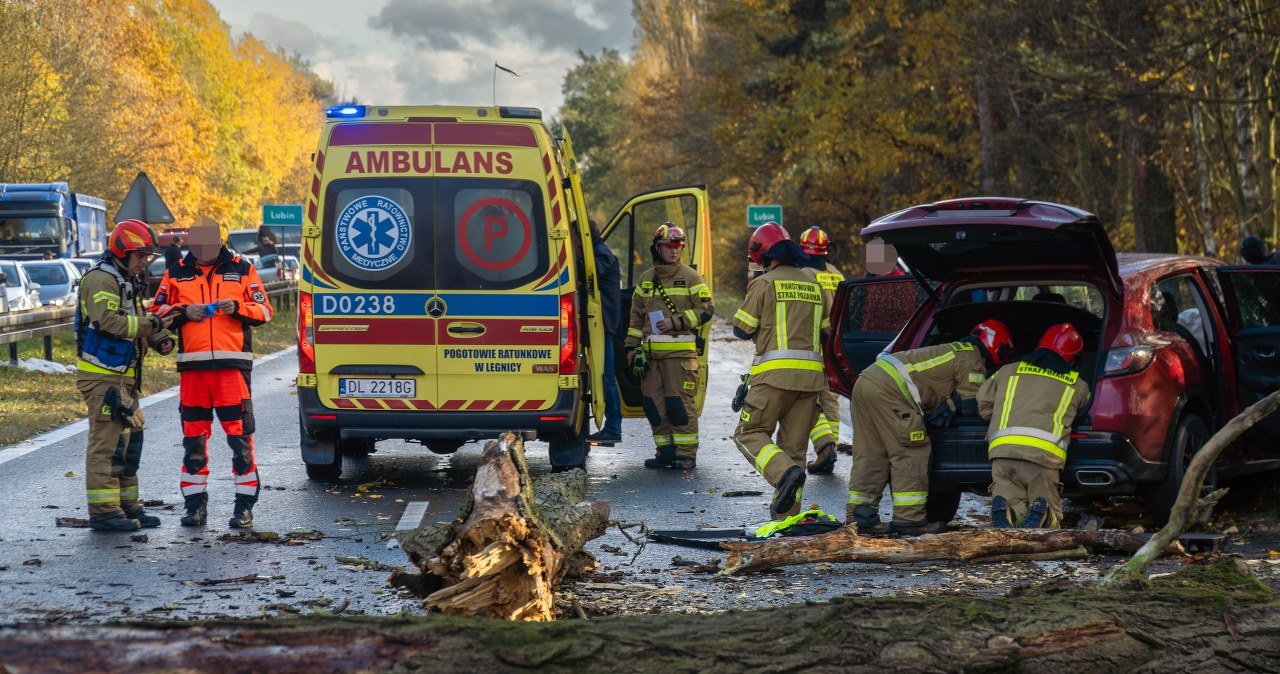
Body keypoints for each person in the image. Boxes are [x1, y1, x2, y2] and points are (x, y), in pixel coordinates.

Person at [151, 220, 273, 528]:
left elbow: (265, 311)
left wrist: (238, 307)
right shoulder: (176, 272)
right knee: (193, 441)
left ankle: (243, 508)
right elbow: (156, 313)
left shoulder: (242, 269)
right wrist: (183, 312)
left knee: (240, 440)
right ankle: (194, 507)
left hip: (232, 369)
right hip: (194, 370)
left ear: (219, 242)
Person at [847, 319, 1014, 535]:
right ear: (997, 346)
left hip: (867, 380)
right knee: (911, 452)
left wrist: (949, 402)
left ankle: (860, 520)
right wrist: (954, 403)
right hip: (892, 391)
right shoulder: (972, 359)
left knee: (871, 454)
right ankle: (910, 520)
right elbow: (972, 406)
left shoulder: (955, 349)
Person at [75, 219, 175, 531]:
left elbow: (136, 318)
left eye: (147, 256)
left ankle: (128, 506)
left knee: (129, 445)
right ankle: (104, 512)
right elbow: (108, 322)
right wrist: (154, 325)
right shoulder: (101, 280)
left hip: (123, 378)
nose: (145, 261)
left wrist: (159, 338)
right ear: (122, 250)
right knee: (107, 446)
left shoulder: (125, 279)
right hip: (103, 378)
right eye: (140, 255)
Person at [732, 222, 830, 520]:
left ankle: (782, 472)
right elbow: (825, 332)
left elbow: (741, 328)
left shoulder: (764, 283)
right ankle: (787, 521)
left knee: (749, 434)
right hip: (811, 381)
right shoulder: (814, 284)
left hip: (773, 378)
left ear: (762, 254)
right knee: (795, 450)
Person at [978, 323, 1091, 528]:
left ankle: (1010, 513)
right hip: (1043, 457)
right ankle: (1045, 517)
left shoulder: (1007, 370)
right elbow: (1086, 411)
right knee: (1049, 518)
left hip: (1003, 453)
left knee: (1010, 505)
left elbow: (983, 405)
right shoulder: (1078, 385)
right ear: (1072, 358)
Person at [624, 222, 715, 469]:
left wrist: (675, 322)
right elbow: (636, 317)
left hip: (680, 356)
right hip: (650, 356)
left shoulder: (691, 277)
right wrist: (631, 347)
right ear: (657, 248)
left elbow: (706, 309)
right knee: (654, 406)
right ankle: (664, 452)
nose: (674, 251)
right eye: (669, 246)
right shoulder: (646, 279)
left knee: (679, 406)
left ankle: (685, 455)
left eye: (678, 247)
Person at [798, 225, 846, 475]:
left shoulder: (802, 274)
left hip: (812, 344)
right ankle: (831, 449)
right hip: (835, 347)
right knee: (830, 400)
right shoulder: (836, 274)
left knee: (806, 399)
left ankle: (824, 448)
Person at [587, 219, 624, 446]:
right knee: (604, 376)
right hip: (601, 323)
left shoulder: (602, 255)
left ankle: (613, 427)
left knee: (606, 376)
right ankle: (612, 427)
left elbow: (588, 274)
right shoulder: (599, 252)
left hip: (604, 324)